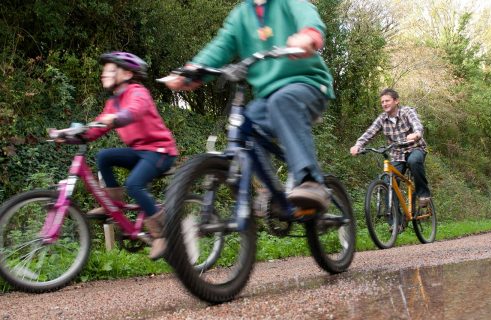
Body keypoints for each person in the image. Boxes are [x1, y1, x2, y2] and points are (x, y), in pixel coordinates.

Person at [164, 0, 334, 212]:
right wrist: (192, 72)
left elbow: (306, 14)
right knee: (245, 125)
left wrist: (308, 36)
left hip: (307, 84)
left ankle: (310, 180)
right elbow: (221, 46)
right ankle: (273, 191)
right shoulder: (241, 14)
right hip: (268, 98)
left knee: (282, 101)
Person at [84, 51, 178, 260]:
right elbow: (96, 127)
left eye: (110, 70)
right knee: (104, 156)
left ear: (126, 74)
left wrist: (116, 118)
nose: (104, 74)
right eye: (104, 70)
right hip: (139, 151)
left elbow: (134, 111)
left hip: (160, 150)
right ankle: (113, 205)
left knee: (134, 183)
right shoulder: (113, 102)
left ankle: (161, 234)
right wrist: (73, 135)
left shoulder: (138, 92)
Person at [350, 88, 432, 207]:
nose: (384, 104)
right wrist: (358, 145)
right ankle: (395, 222)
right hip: (397, 154)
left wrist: (416, 134)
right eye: (382, 102)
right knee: (388, 182)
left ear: (396, 101)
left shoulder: (407, 112)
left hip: (415, 148)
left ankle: (423, 194)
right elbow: (370, 132)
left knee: (414, 161)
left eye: (387, 101)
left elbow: (417, 125)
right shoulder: (382, 119)